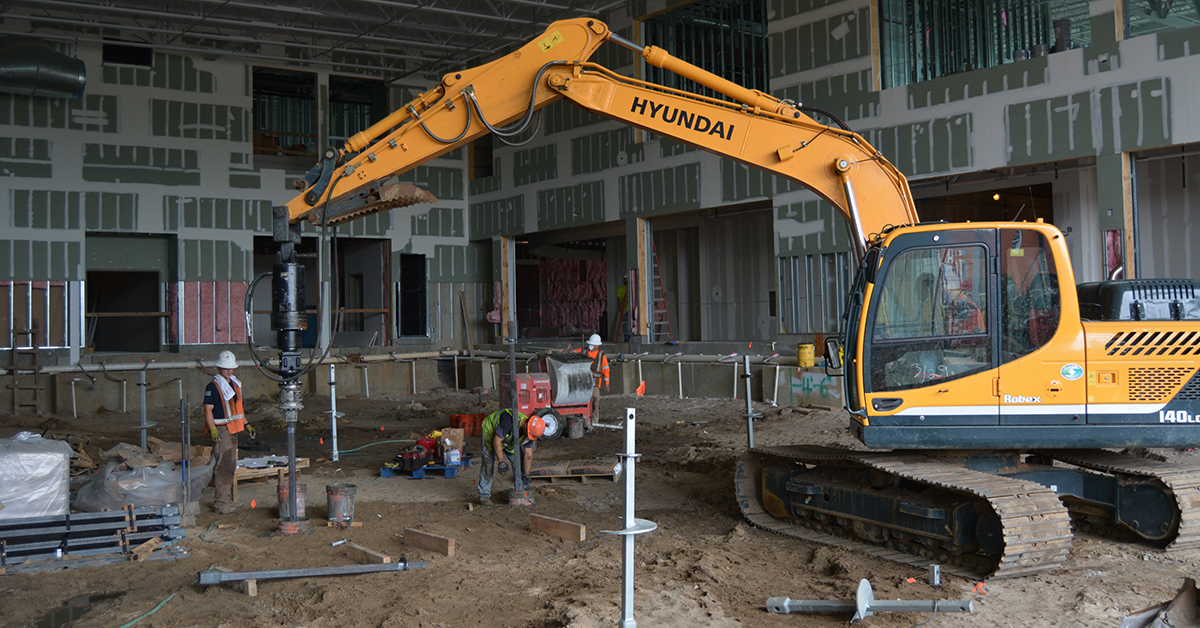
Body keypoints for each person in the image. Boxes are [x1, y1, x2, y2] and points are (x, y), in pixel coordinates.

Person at [203, 350, 256, 515]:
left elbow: (238, 409)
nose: (229, 370)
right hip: (221, 430)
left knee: (231, 466)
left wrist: (247, 425)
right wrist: (212, 429)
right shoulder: (213, 387)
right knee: (223, 466)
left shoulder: (234, 384)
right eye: (226, 368)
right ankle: (221, 504)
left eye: (231, 368)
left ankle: (228, 500)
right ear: (219, 367)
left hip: (233, 429)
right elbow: (207, 409)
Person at [478, 408, 545, 505]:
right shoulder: (508, 420)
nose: (528, 438)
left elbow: (528, 455)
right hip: (491, 432)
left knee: (519, 461)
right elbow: (496, 441)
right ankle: (484, 495)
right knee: (488, 464)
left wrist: (527, 474)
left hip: (508, 439)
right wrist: (501, 462)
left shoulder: (531, 431)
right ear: (526, 425)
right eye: (528, 435)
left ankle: (522, 489)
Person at [573, 333, 609, 426]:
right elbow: (572, 352)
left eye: (593, 345)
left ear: (597, 346)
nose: (591, 346)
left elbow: (606, 370)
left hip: (595, 384)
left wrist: (607, 383)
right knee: (582, 402)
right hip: (583, 382)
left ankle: (595, 421)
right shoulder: (583, 351)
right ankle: (582, 420)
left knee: (595, 402)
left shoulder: (601, 356)